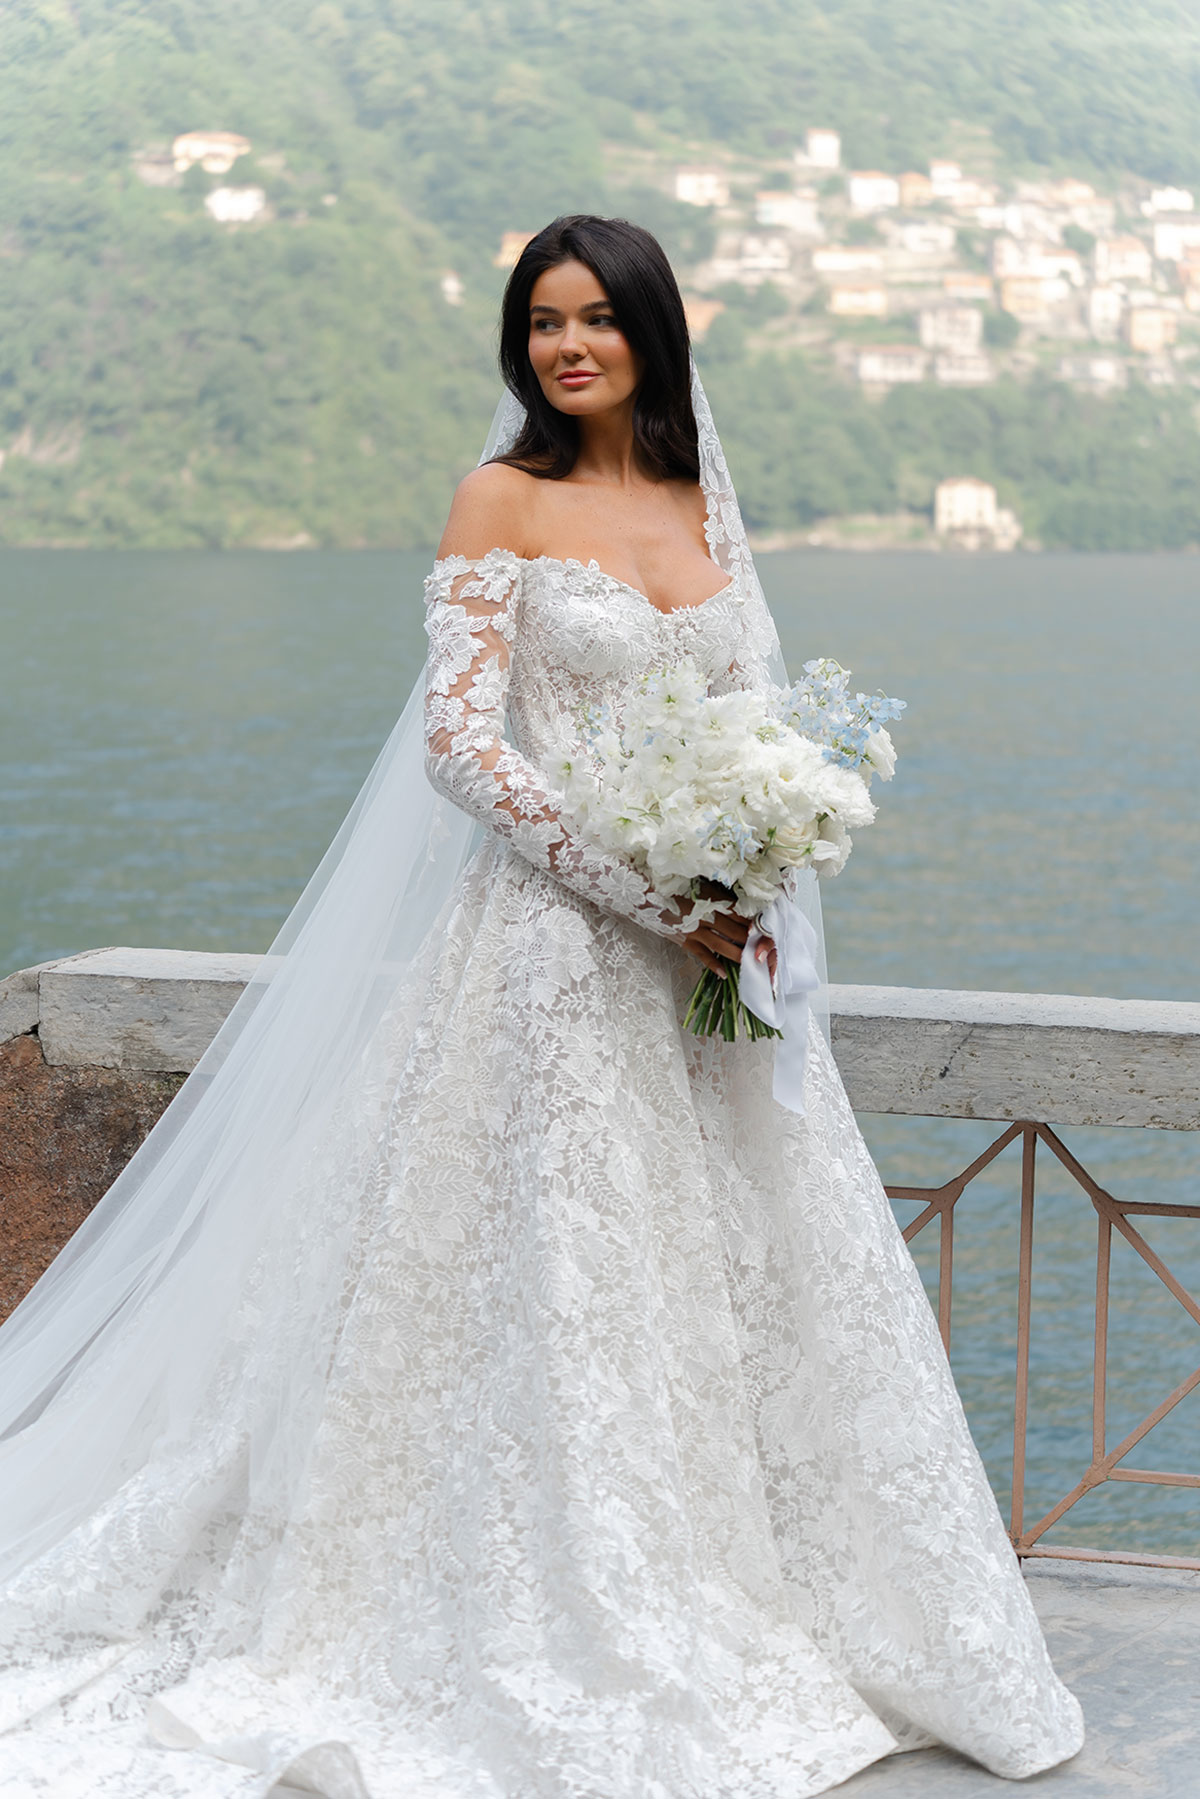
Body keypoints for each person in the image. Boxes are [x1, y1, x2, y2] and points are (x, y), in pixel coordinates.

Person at [0, 215, 1082, 1797]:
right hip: (539, 972)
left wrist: (748, 874)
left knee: (721, 1291)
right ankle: (523, 1602)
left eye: (597, 318)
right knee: (547, 1284)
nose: (568, 345)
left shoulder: (707, 509)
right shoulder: (498, 499)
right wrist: (651, 896)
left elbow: (756, 726)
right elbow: (462, 746)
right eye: (542, 322)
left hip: (703, 985)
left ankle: (766, 1590)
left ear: (653, 330)